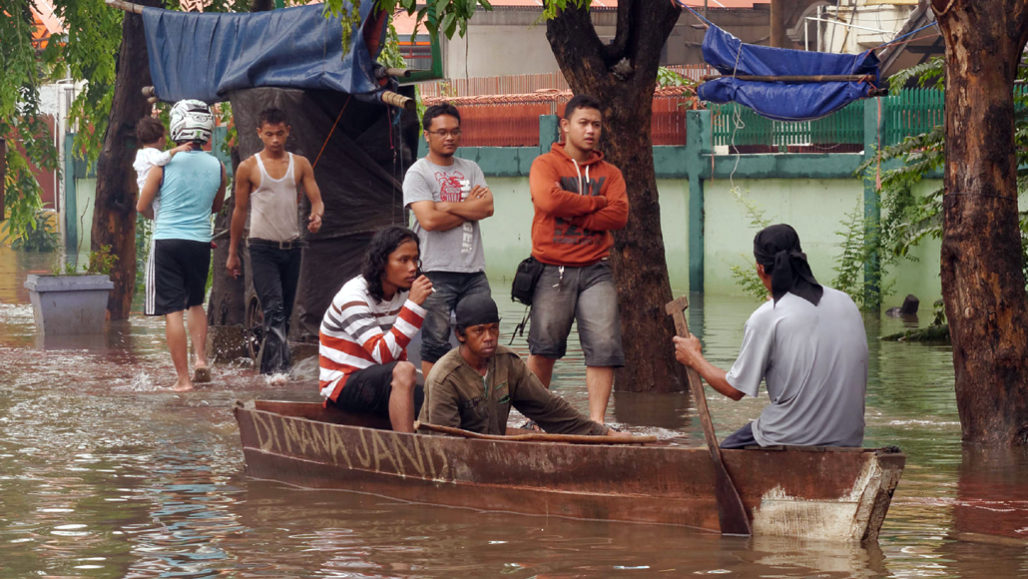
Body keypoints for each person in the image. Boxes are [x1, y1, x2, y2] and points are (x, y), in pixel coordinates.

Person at [673, 223, 868, 448]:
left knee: (719, 457)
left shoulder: (768, 316)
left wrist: (693, 357)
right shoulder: (846, 302)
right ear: (801, 259)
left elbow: (734, 390)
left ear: (760, 268)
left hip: (790, 437)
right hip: (850, 439)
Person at [526, 94, 629, 424]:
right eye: (583, 123)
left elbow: (619, 214)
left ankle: (597, 422)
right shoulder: (545, 164)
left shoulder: (610, 173)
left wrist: (575, 213)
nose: (591, 131)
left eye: (596, 125)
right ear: (565, 126)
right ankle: (534, 417)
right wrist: (595, 203)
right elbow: (548, 199)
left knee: (603, 346)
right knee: (544, 346)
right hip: (552, 268)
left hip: (597, 268)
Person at [419, 294, 631, 438]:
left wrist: (604, 434)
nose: (489, 337)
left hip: (493, 449)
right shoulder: (444, 378)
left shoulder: (507, 363)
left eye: (494, 329)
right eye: (479, 331)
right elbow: (445, 444)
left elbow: (551, 410)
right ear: (460, 335)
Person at [226, 107, 325, 376]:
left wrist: (317, 216)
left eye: (280, 133)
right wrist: (233, 252)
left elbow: (316, 199)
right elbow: (239, 211)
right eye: (269, 134)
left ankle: (274, 367)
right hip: (261, 247)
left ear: (287, 132)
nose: (275, 140)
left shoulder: (300, 164)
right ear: (259, 133)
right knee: (275, 309)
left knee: (285, 311)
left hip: (291, 247)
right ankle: (276, 373)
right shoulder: (248, 167)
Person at [137, 99, 227, 392]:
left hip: (168, 242)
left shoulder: (162, 164)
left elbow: (142, 205)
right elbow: (214, 206)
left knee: (173, 311)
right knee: (195, 303)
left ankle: (183, 380)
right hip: (200, 243)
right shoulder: (218, 165)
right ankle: (201, 360)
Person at [403, 103, 493, 379]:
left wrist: (444, 206)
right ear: (427, 135)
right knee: (434, 344)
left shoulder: (471, 168)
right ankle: (436, 403)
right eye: (441, 132)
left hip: (474, 272)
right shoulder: (418, 173)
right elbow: (429, 221)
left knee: (483, 339)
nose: (449, 137)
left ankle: (478, 397)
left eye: (455, 132)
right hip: (434, 272)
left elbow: (487, 209)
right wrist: (467, 207)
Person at [318, 226, 434, 433]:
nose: (412, 268)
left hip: (382, 382)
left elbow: (397, 352)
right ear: (382, 264)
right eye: (403, 260)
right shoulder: (353, 297)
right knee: (405, 370)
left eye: (415, 260)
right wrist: (413, 306)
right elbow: (384, 354)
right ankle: (407, 450)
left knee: (440, 400)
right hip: (343, 386)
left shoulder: (401, 293)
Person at [133, 117, 192, 195]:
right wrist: (175, 150)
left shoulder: (141, 153)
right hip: (152, 192)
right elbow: (160, 160)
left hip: (143, 191)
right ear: (160, 140)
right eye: (165, 136)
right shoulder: (152, 153)